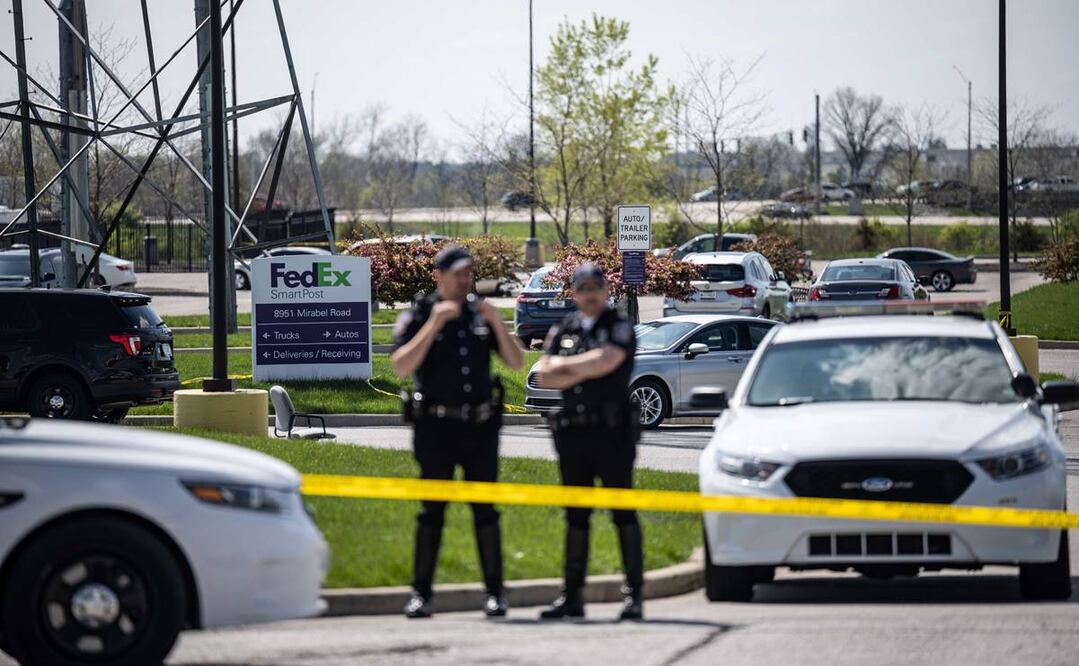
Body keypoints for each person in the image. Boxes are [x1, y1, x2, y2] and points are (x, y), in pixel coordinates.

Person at [391, 244, 524, 619]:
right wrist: (434, 324)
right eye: (458, 274)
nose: (465, 281)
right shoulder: (420, 313)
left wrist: (497, 321)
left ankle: (496, 595)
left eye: (469, 274)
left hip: (480, 429)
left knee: (486, 511)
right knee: (432, 511)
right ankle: (421, 594)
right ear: (439, 276)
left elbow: (515, 362)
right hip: (436, 427)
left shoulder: (479, 314)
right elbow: (401, 365)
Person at [534, 263, 644, 621]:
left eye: (596, 287)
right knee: (575, 517)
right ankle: (572, 597)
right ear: (574, 293)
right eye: (583, 288)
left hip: (611, 437)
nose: (590, 294)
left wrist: (569, 367)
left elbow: (608, 360)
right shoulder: (564, 327)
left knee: (622, 513)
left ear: (606, 290)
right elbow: (544, 375)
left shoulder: (619, 326)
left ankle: (634, 597)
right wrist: (586, 366)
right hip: (573, 437)